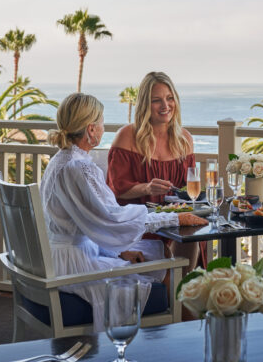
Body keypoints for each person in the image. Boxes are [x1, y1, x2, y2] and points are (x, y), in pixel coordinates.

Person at [41, 92, 205, 332]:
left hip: (60, 259)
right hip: (74, 270)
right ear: (91, 129)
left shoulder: (60, 161)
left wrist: (120, 251)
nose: (103, 127)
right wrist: (173, 218)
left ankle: (183, 336)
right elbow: (113, 220)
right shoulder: (79, 167)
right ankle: (195, 337)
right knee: (170, 271)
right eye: (101, 122)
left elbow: (91, 222)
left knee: (157, 255)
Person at [107, 71, 202, 269]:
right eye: (156, 100)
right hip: (139, 225)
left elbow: (187, 190)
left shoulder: (184, 139)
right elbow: (116, 190)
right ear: (145, 104)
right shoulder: (127, 136)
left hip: (173, 223)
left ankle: (184, 287)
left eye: (170, 98)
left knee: (192, 237)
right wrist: (147, 188)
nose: (165, 106)